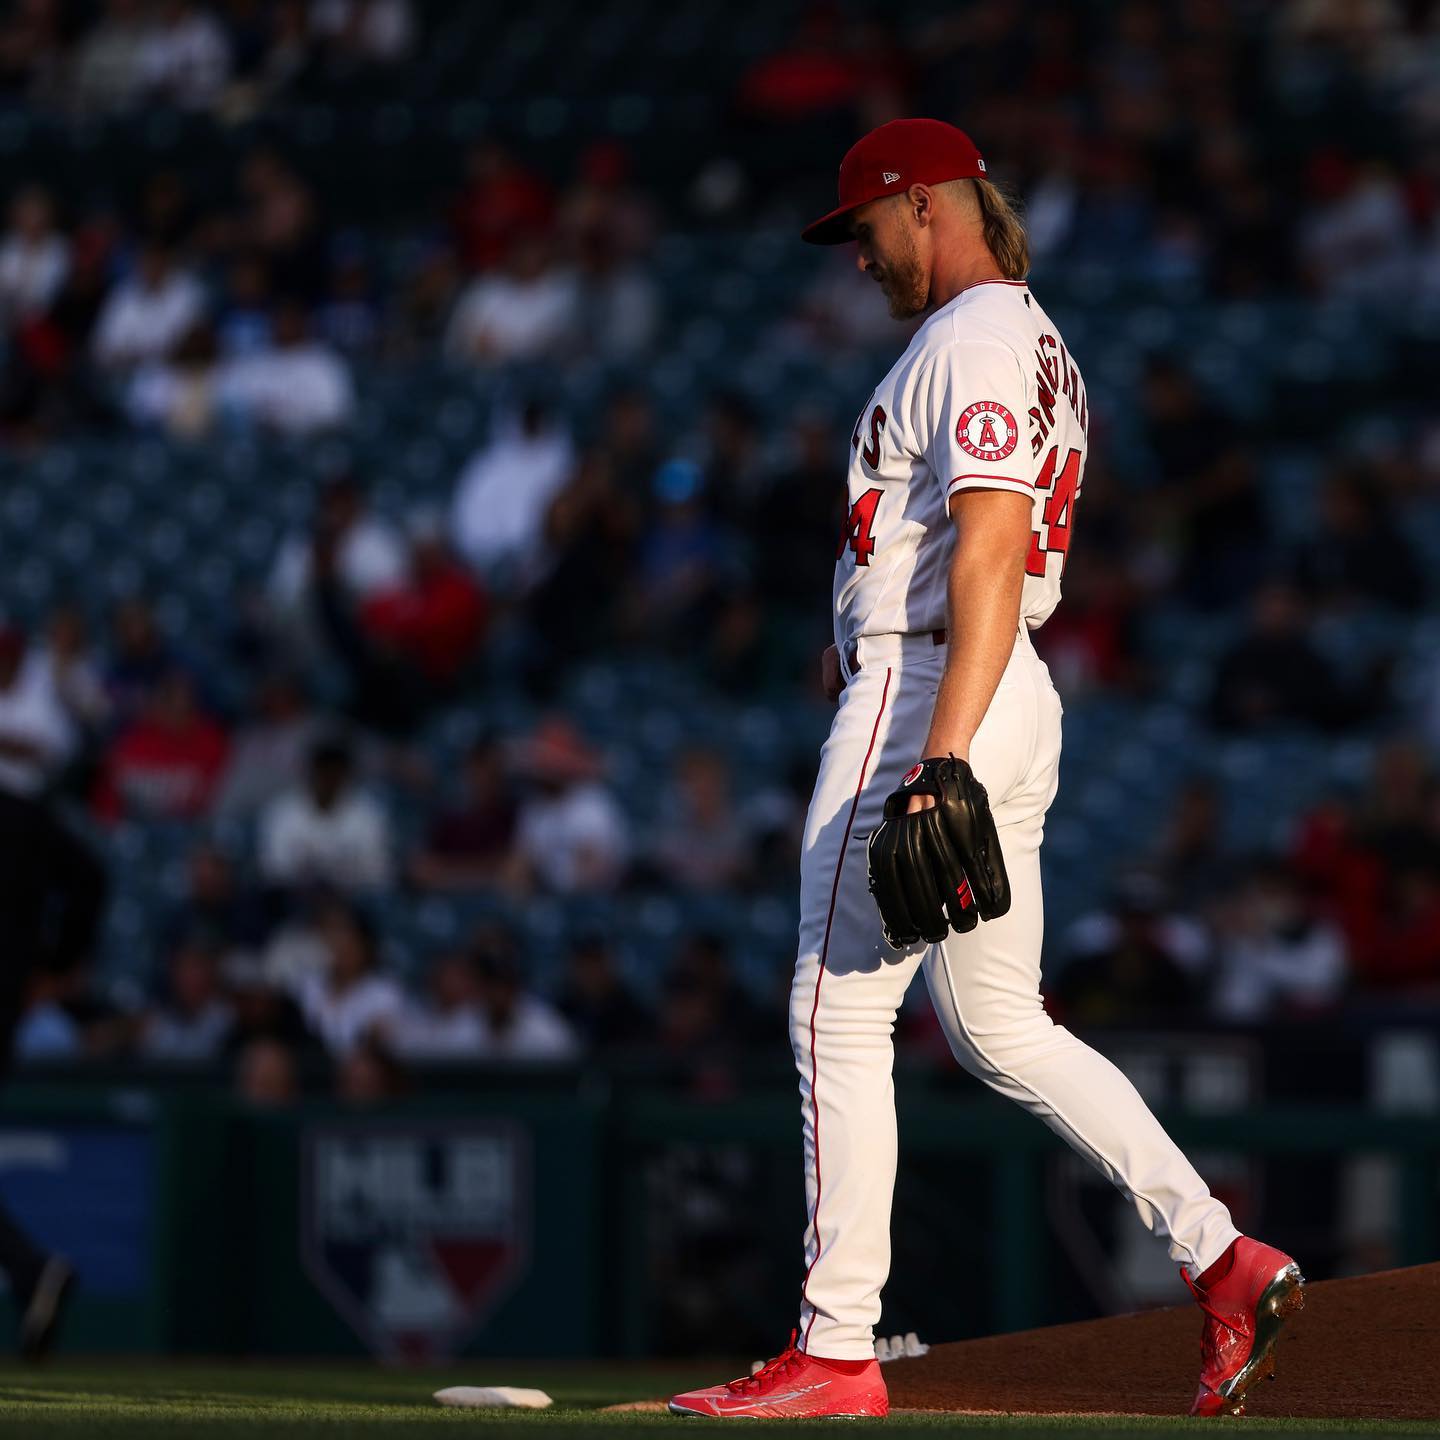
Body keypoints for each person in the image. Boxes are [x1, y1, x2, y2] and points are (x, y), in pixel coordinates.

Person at [670, 119, 1302, 1423]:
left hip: (938, 686)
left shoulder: (970, 336)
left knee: (833, 1012)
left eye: (864, 230)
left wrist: (938, 748)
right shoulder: (1033, 339)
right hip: (1004, 686)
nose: (858, 260)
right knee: (1000, 1027)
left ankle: (836, 1348)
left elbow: (991, 540)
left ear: (924, 206)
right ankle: (1222, 1257)